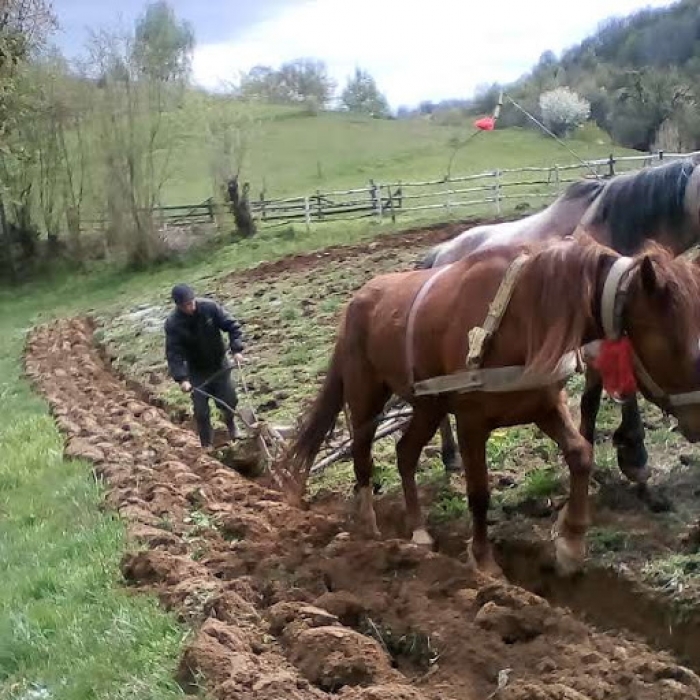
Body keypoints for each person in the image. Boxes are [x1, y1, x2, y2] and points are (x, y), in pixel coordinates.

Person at [164, 283, 245, 448]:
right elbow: (173, 354)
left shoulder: (209, 308)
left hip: (219, 364)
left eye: (192, 302)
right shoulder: (173, 324)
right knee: (201, 411)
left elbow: (232, 326)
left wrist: (236, 350)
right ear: (179, 306)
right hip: (196, 371)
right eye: (186, 305)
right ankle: (206, 445)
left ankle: (231, 426)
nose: (191, 307)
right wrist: (182, 379)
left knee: (229, 400)